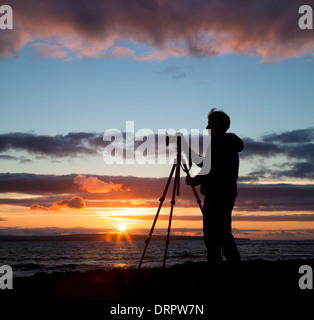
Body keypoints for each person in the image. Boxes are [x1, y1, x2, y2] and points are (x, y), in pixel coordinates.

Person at [185, 108, 243, 265]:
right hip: (227, 194)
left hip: (215, 195)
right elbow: (206, 164)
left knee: (212, 237)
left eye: (209, 123)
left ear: (216, 125)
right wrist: (187, 150)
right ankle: (235, 269)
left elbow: (206, 169)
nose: (207, 128)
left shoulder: (217, 143)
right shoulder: (229, 144)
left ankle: (216, 272)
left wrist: (192, 181)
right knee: (224, 233)